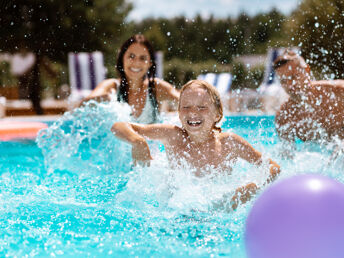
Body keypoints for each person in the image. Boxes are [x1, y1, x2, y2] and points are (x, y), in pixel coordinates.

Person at [111, 80, 281, 210]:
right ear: (178, 112)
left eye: (202, 107)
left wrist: (253, 189)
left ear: (218, 113)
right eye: (186, 107)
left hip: (219, 213)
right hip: (177, 213)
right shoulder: (173, 136)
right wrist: (137, 141)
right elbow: (119, 126)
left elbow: (273, 167)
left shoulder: (230, 143)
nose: (193, 113)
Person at [81, 34, 179, 123]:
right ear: (122, 58)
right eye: (131, 56)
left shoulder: (156, 88)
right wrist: (102, 99)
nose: (136, 63)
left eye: (142, 58)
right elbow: (83, 105)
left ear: (150, 63)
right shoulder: (111, 87)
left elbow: (184, 100)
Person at [273, 50, 344, 158]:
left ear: (307, 70)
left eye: (293, 77)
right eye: (283, 81)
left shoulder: (337, 92)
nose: (290, 85)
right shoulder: (284, 117)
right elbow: (287, 159)